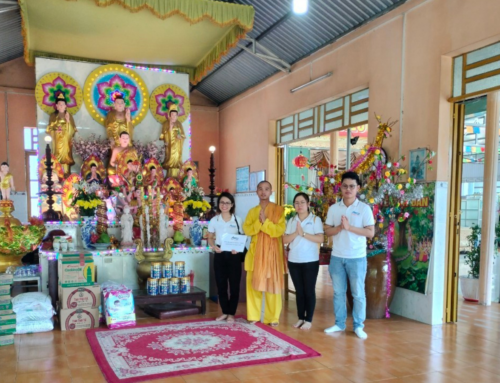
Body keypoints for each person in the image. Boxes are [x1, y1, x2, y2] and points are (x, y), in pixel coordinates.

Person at [323, 172, 374, 339]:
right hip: (337, 257)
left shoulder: (364, 208)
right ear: (341, 188)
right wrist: (339, 228)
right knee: (338, 292)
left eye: (352, 186)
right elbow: (327, 231)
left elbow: (370, 232)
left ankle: (359, 326)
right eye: (345, 186)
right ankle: (339, 323)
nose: (348, 189)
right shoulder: (334, 208)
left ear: (358, 188)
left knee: (358, 293)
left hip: (357, 258)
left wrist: (349, 227)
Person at [243, 181, 286, 326]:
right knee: (252, 285)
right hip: (255, 253)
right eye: (260, 189)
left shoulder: (278, 210)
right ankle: (253, 316)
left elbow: (279, 231)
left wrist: (265, 222)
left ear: (271, 191)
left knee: (272, 286)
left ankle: (272, 317)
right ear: (256, 191)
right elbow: (247, 230)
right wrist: (259, 223)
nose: (263, 192)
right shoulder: (252, 211)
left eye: (266, 189)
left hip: (272, 255)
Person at [283, 192, 324, 330]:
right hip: (294, 260)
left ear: (308, 204)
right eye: (296, 203)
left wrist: (304, 234)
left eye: (302, 202)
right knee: (299, 291)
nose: (299, 205)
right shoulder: (292, 221)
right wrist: (296, 233)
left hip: (310, 261)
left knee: (309, 290)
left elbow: (320, 239)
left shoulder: (315, 220)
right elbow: (285, 239)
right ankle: (301, 317)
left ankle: (309, 319)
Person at [207, 192, 244, 323]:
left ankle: (231, 314)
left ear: (232, 205)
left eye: (227, 203)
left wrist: (238, 249)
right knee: (221, 285)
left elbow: (243, 238)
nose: (224, 205)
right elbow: (210, 237)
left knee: (234, 285)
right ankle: (224, 311)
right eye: (222, 202)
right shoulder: (214, 220)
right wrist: (213, 246)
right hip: (220, 254)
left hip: (234, 256)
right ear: (219, 204)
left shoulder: (238, 220)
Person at [46, 92, 77, 176]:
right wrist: (56, 128)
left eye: (62, 104)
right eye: (59, 104)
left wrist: (67, 121)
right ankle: (57, 171)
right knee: (57, 154)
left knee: (66, 154)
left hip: (66, 139)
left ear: (66, 106)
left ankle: (67, 172)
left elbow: (73, 130)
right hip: (57, 138)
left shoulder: (69, 115)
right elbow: (49, 128)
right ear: (56, 106)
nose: (61, 106)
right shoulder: (53, 115)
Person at [160, 104, 185, 177]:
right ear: (169, 115)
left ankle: (176, 176)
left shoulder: (179, 124)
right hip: (169, 145)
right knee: (169, 157)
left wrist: (180, 136)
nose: (173, 117)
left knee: (176, 159)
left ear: (177, 116)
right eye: (172, 115)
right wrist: (169, 129)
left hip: (177, 145)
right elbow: (162, 135)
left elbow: (183, 135)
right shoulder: (166, 123)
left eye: (175, 115)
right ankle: (169, 176)